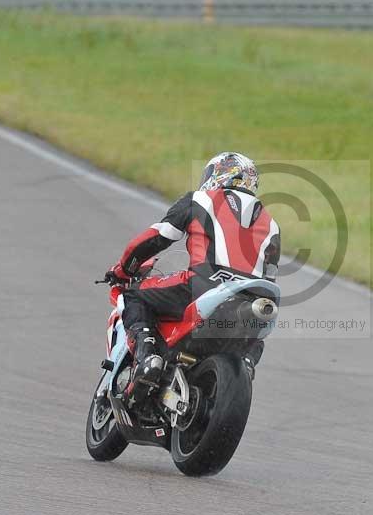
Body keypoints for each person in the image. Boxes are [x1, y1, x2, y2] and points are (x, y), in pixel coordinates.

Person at [104, 152, 280, 398]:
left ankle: (148, 356)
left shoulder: (199, 199)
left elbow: (157, 237)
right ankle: (247, 364)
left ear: (218, 174)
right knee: (257, 331)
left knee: (133, 295)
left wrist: (124, 268)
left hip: (205, 285)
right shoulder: (272, 224)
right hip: (254, 299)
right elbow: (270, 275)